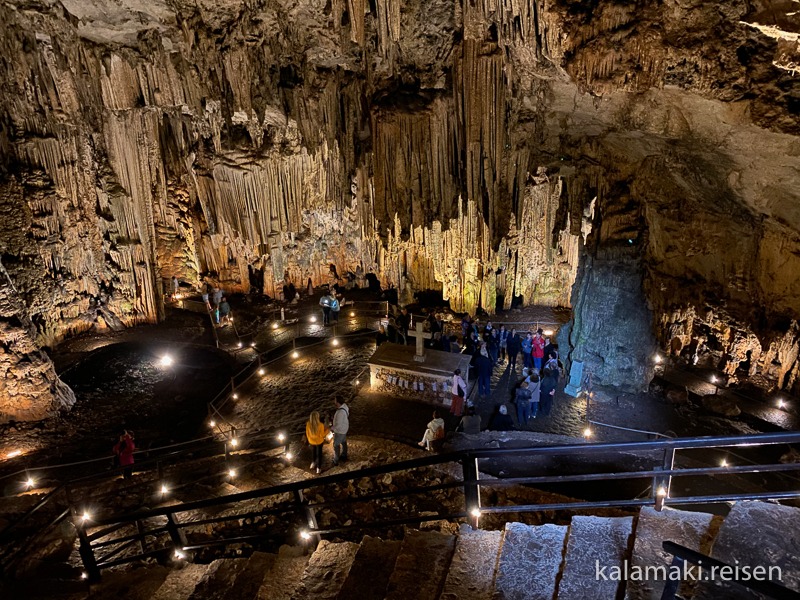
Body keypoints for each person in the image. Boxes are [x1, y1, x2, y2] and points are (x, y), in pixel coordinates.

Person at [330, 396, 349, 465]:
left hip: (340, 431)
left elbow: (338, 425)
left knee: (336, 445)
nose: (334, 401)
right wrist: (335, 417)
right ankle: (344, 455)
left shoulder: (340, 412)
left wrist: (331, 428)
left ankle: (336, 460)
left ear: (338, 402)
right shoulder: (345, 406)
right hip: (344, 428)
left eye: (335, 400)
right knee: (343, 442)